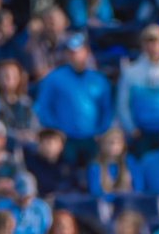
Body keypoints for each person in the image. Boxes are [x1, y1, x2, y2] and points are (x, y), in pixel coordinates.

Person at [34, 33, 113, 161]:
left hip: (92, 138)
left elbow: (107, 108)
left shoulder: (99, 80)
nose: (75, 56)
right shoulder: (54, 78)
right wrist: (55, 130)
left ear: (87, 52)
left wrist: (102, 130)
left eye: (79, 51)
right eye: (71, 52)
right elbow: (43, 106)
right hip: (65, 139)